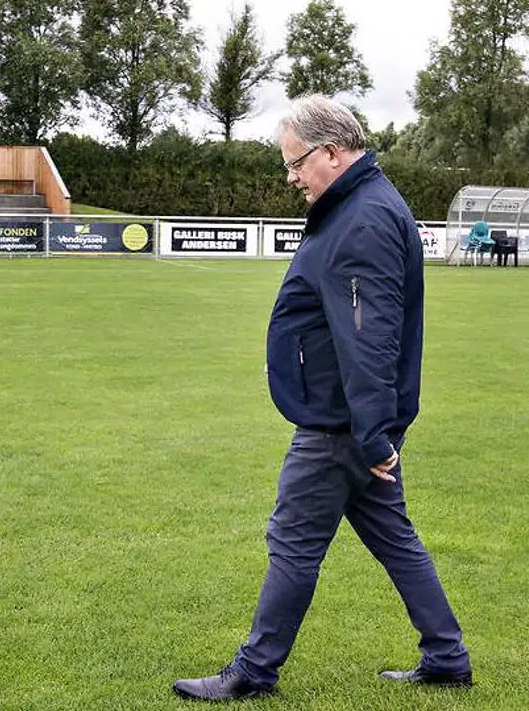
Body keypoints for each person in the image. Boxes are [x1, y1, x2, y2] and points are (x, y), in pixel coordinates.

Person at [172, 95, 472, 702]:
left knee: (293, 542)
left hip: (341, 426)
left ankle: (254, 671)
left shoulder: (362, 218)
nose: (291, 177)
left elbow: (369, 339)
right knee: (395, 537)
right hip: (357, 423)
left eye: (296, 163)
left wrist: (370, 435)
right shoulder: (363, 206)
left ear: (332, 153)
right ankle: (446, 656)